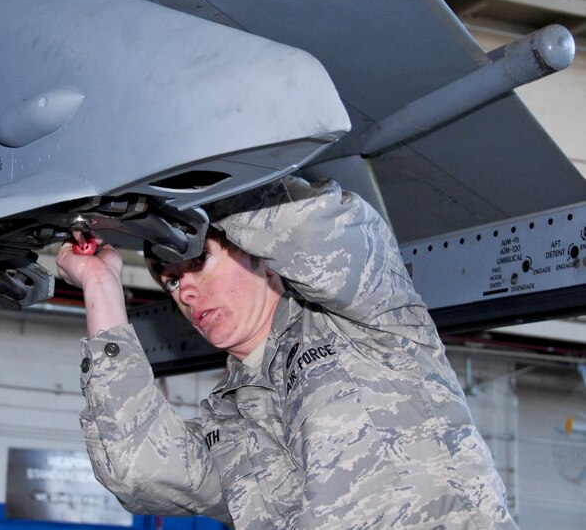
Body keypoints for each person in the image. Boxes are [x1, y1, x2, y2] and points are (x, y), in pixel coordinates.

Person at [56, 177, 518, 530]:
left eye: (199, 262)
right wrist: (101, 287)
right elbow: (138, 470)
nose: (186, 292)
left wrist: (193, 181)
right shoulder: (229, 423)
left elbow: (319, 231)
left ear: (261, 257)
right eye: (172, 281)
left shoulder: (361, 318)